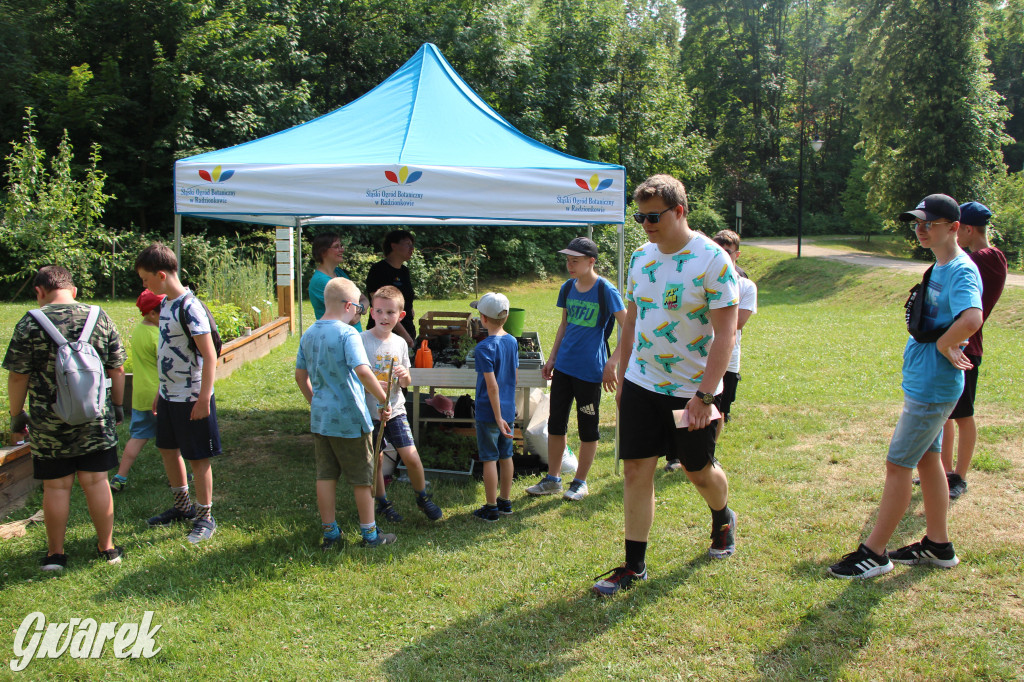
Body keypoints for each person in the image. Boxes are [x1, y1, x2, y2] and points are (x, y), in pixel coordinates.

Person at [592, 175, 740, 596]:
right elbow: (632, 320)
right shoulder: (641, 257)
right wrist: (623, 371)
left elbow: (726, 335)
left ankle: (723, 516)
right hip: (642, 382)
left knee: (697, 470)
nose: (646, 225)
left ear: (680, 211)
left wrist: (705, 396)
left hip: (692, 390)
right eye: (640, 217)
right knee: (636, 469)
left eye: (653, 217)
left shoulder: (713, 260)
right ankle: (633, 566)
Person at [828, 193, 983, 579]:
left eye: (930, 223)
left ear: (955, 228)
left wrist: (946, 344)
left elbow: (972, 317)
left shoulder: (961, 270)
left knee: (898, 465)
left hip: (934, 386)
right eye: (918, 223)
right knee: (929, 459)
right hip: (926, 382)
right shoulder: (941, 266)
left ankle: (874, 553)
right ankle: (938, 545)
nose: (921, 229)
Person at [3, 265, 127, 570]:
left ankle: (55, 555)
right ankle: (107, 549)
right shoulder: (99, 317)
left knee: (56, 487)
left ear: (39, 292)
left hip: (49, 424)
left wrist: (17, 415)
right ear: (73, 290)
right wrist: (117, 405)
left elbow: (17, 377)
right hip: (95, 419)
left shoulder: (29, 323)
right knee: (96, 481)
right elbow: (117, 368)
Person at [295, 277, 397, 549]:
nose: (359, 314)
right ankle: (370, 535)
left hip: (321, 419)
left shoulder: (309, 334)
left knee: (325, 476)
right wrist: (383, 400)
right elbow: (363, 371)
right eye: (360, 309)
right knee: (362, 479)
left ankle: (330, 534)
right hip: (350, 420)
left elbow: (300, 376)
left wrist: (315, 402)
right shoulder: (347, 334)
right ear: (349, 306)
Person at [526, 236, 625, 500]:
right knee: (556, 424)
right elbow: (564, 325)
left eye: (575, 261)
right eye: (568, 260)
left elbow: (629, 329)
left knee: (587, 428)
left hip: (590, 372)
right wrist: (552, 358)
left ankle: (580, 482)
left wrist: (612, 363)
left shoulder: (606, 290)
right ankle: (553, 479)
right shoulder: (568, 287)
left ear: (591, 261)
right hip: (564, 368)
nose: (570, 265)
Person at [136, 243, 222, 544]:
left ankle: (205, 516)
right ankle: (183, 507)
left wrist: (203, 398)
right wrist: (161, 390)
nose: (145, 285)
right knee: (167, 449)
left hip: (192, 398)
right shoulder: (166, 304)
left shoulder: (189, 307)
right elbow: (169, 350)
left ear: (161, 275)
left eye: (146, 279)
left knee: (198, 457)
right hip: (169, 395)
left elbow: (209, 356)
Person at [938, 201, 1006, 499]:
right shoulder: (977, 258)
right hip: (955, 344)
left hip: (966, 347)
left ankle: (959, 477)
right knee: (947, 415)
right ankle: (943, 473)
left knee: (963, 415)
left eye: (957, 230)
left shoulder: (986, 258)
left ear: (967, 229)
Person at [361, 285, 443, 522]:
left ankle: (422, 498)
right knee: (376, 460)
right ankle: (382, 503)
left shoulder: (399, 343)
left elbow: (406, 382)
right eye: (379, 311)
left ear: (401, 315)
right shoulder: (361, 341)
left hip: (395, 410)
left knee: (412, 457)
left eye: (390, 312)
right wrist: (374, 387)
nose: (384, 317)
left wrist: (404, 375)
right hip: (370, 413)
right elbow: (355, 379)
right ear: (372, 312)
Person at [469, 292, 519, 521]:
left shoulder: (483, 348)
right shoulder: (512, 342)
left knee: (489, 457)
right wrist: (506, 411)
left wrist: (497, 417)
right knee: (506, 455)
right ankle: (505, 502)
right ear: (505, 317)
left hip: (490, 412)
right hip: (507, 410)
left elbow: (492, 387)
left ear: (483, 319)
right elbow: (513, 377)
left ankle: (491, 509)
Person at [109, 290, 165, 492]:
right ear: (152, 313)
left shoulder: (139, 331)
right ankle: (179, 476)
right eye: (163, 311)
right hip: (159, 394)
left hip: (140, 395)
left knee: (138, 436)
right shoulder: (159, 336)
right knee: (171, 440)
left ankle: (120, 477)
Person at [365, 230, 416, 345]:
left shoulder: (404, 271)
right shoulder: (378, 270)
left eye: (412, 245)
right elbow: (382, 309)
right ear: (394, 246)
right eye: (407, 244)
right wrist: (404, 335)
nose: (412, 248)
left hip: (407, 331)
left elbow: (407, 300)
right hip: (383, 336)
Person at [308, 232, 364, 331]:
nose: (342, 249)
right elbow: (351, 317)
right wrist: (361, 308)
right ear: (323, 251)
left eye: (341, 246)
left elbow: (363, 299)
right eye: (336, 246)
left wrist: (359, 308)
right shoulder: (320, 281)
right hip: (337, 336)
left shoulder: (339, 272)